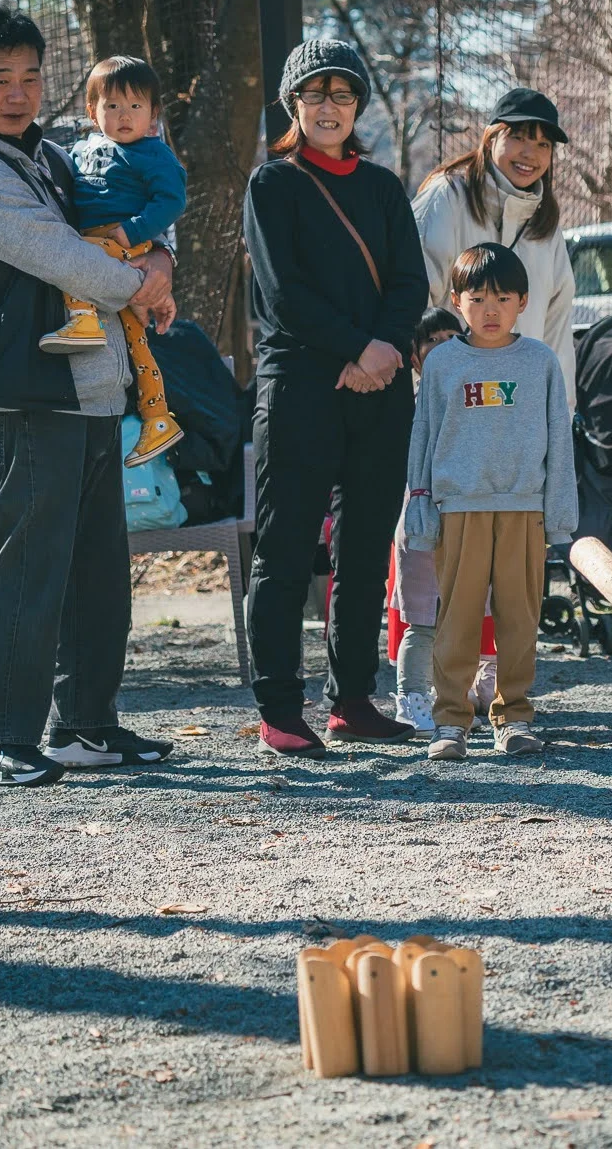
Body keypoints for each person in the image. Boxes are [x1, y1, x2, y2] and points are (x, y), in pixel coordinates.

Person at [0, 7, 177, 787]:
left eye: (31, 76)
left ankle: (85, 726)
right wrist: (141, 282)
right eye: (0, 78)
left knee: (98, 569)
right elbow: (63, 255)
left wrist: (159, 250)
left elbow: (117, 216)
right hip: (26, 392)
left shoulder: (56, 156)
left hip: (94, 388)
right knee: (30, 569)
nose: (19, 92)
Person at [244, 39, 430, 756]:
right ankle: (279, 709)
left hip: (381, 386)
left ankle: (352, 698)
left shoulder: (383, 188)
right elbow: (284, 295)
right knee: (286, 547)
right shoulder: (274, 185)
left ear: (358, 106)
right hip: (302, 384)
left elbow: (410, 282)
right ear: (294, 104)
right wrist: (361, 349)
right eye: (315, 93)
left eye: (342, 94)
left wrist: (382, 350)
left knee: (362, 549)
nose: (329, 107)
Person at [406, 244, 578, 760]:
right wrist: (420, 508)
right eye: (477, 297)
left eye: (502, 297)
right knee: (456, 618)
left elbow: (559, 440)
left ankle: (515, 716)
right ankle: (450, 722)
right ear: (456, 301)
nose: (490, 309)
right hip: (458, 508)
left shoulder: (540, 362)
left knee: (519, 618)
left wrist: (560, 515)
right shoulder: (442, 365)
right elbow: (423, 435)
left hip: (524, 508)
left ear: (523, 302)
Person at [51, 54, 186, 467]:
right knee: (137, 340)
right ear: (93, 112)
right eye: (112, 106)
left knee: (78, 256)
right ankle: (157, 419)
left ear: (153, 114)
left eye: (135, 106)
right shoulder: (82, 149)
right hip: (104, 245)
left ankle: (83, 318)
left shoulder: (153, 153)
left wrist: (134, 231)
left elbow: (172, 200)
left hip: (123, 243)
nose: (124, 115)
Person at [412, 89, 576, 403]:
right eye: (519, 138)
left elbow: (556, 331)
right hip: (452, 402)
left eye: (543, 144)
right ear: (490, 139)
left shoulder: (545, 222)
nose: (531, 153)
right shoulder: (447, 197)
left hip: (520, 408)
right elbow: (414, 303)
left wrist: (560, 418)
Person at [390, 305, 499, 733]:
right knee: (422, 616)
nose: (441, 348)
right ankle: (412, 697)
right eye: (430, 341)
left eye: (451, 338)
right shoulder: (407, 405)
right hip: (421, 520)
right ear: (415, 357)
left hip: (474, 515)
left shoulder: (479, 394)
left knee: (484, 601)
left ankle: (483, 678)